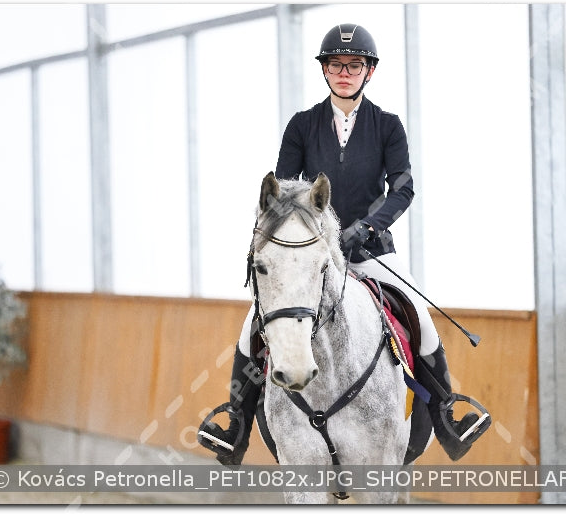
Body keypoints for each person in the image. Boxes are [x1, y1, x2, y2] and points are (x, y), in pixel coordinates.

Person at [199, 23, 488, 466]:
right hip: (311, 253)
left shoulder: (388, 127)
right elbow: (284, 192)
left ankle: (448, 412)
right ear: (325, 71)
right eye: (336, 64)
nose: (345, 72)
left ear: (369, 71)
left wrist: (368, 228)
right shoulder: (301, 125)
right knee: (253, 324)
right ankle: (235, 421)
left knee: (418, 314)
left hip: (372, 252)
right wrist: (316, 235)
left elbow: (403, 189)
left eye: (354, 65)